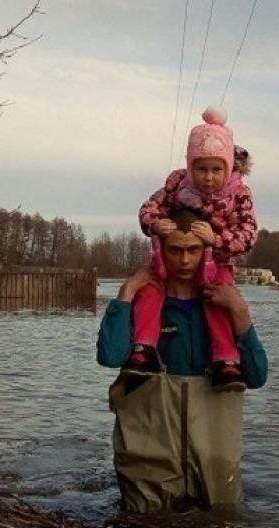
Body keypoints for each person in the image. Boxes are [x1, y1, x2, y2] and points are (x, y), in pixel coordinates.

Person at [96, 210, 268, 512]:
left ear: (208, 251)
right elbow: (110, 356)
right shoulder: (142, 303)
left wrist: (239, 310)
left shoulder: (222, 305)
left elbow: (256, 376)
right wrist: (127, 292)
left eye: (194, 250)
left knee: (220, 525)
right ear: (161, 251)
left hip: (213, 459)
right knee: (144, 527)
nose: (185, 260)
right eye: (175, 250)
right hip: (150, 458)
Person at [121, 105, 258, 392]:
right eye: (201, 168)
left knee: (219, 301)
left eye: (216, 169)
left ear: (229, 167)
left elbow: (248, 234)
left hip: (217, 262)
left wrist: (216, 240)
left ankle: (226, 361)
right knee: (150, 291)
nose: (209, 177)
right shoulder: (177, 184)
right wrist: (156, 224)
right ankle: (143, 349)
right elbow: (150, 207)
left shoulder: (238, 194)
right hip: (169, 261)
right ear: (190, 166)